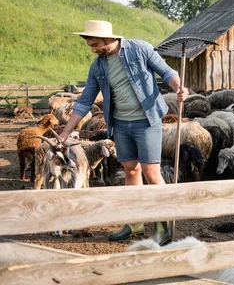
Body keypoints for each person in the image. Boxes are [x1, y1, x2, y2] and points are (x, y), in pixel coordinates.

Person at [60, 20, 189, 246]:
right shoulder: (98, 67)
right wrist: (65, 132)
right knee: (131, 170)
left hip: (147, 120)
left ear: (109, 38)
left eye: (96, 44)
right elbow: (84, 102)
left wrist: (179, 87)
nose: (93, 50)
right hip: (120, 123)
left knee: (151, 171)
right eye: (91, 45)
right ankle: (134, 224)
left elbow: (168, 72)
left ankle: (163, 226)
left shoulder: (140, 49)